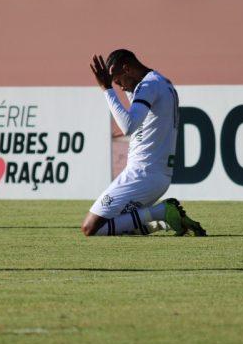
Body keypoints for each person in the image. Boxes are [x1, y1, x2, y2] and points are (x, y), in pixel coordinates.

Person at [81, 49, 206, 237]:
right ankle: (161, 222)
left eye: (118, 81)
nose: (120, 88)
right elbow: (138, 117)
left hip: (142, 175)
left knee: (90, 228)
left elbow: (128, 126)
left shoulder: (149, 85)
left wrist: (107, 89)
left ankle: (161, 212)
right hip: (154, 176)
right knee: (120, 227)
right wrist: (115, 82)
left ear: (127, 69)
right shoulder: (160, 82)